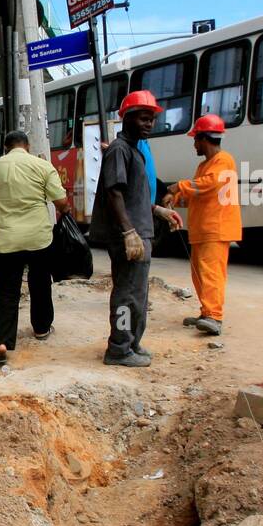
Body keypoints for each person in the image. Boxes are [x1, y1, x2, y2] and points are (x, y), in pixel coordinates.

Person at [89, 90, 183, 368]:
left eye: (151, 119)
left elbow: (134, 196)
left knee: (138, 295)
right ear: (127, 118)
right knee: (126, 294)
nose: (149, 124)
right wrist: (129, 232)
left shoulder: (134, 151)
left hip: (142, 233)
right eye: (143, 118)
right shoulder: (120, 150)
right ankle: (118, 349)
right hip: (129, 237)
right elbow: (114, 193)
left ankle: (131, 342)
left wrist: (159, 211)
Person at [0, 130, 69, 366]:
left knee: (7, 290)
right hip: (39, 239)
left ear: (5, 147)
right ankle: (41, 328)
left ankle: (2, 342)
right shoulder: (42, 166)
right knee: (40, 283)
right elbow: (62, 203)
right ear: (27, 145)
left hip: (6, 241)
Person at [165, 114, 240, 336]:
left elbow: (210, 185)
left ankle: (214, 317)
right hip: (202, 230)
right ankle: (206, 311)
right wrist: (175, 200)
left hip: (215, 229)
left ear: (204, 138)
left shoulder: (224, 160)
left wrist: (176, 187)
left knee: (211, 274)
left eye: (195, 140)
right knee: (200, 274)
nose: (194, 145)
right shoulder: (204, 165)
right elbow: (198, 193)